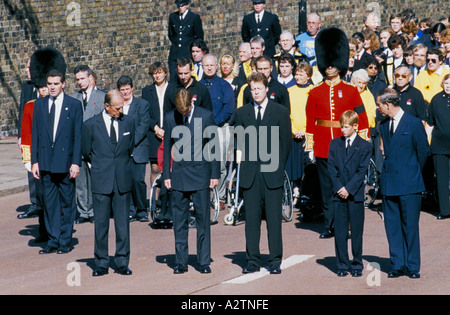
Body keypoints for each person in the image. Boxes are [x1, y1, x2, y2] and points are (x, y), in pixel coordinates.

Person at [305, 27, 370, 240]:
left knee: (347, 186)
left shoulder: (351, 91)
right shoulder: (314, 92)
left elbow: (362, 118)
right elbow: (310, 121)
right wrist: (311, 147)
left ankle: (349, 225)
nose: (331, 66)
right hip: (324, 146)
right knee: (327, 189)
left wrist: (361, 141)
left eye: (334, 62)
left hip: (347, 144)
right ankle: (330, 224)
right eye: (327, 62)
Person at [233, 72, 291, 274]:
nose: (256, 92)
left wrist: (277, 167)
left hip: (272, 173)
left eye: (259, 88)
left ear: (267, 89)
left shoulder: (280, 112)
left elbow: (285, 144)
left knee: (274, 220)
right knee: (251, 221)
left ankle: (275, 261)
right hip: (250, 174)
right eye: (252, 89)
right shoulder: (241, 113)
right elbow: (239, 142)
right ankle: (252, 261)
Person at [31, 48, 83, 255]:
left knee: (67, 204)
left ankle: (64, 239)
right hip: (45, 162)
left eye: (55, 84)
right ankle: (52, 240)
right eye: (49, 84)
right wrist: (35, 161)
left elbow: (77, 136)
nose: (51, 88)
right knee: (50, 204)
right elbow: (36, 135)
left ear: (63, 84)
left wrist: (76, 162)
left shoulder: (74, 105)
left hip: (66, 162)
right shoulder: (40, 105)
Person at [163, 89, 219, 274]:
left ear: (191, 104)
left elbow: (213, 146)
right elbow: (167, 147)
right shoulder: (171, 117)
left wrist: (214, 174)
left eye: (185, 111)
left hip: (201, 173)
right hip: (179, 174)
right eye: (181, 111)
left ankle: (203, 261)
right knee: (179, 220)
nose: (183, 114)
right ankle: (181, 261)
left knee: (203, 219)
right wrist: (166, 175)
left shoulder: (206, 116)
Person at [376, 88, 430, 279]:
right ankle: (397, 264)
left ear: (388, 105)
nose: (378, 109)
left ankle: (413, 266)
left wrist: (412, 172)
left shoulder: (414, 123)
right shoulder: (383, 125)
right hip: (390, 182)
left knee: (410, 226)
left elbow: (423, 152)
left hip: (409, 184)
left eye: (380, 105)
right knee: (392, 226)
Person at [81, 90, 135, 276]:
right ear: (106, 106)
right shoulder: (90, 125)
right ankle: (101, 262)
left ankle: (122, 261)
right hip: (101, 180)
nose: (121, 111)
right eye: (117, 108)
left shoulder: (128, 122)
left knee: (122, 225)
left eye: (122, 107)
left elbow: (129, 147)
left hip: (122, 180)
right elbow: (86, 151)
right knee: (101, 224)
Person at [327, 110, 371, 277]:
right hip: (339, 194)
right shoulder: (334, 144)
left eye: (345, 127)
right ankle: (342, 265)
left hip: (355, 195)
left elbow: (362, 171)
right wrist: (340, 188)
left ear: (355, 126)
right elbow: (331, 168)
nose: (342, 130)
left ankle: (357, 264)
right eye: (341, 126)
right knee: (340, 232)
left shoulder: (365, 145)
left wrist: (349, 189)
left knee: (357, 232)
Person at [71, 65, 106, 224]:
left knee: (95, 180)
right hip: (78, 145)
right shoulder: (73, 98)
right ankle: (83, 211)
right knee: (80, 180)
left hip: (95, 145)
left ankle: (94, 210)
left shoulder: (101, 97)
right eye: (77, 79)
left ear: (90, 77)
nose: (80, 82)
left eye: (82, 78)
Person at [19, 60, 49, 242]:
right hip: (38, 157)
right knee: (41, 196)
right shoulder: (31, 105)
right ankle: (44, 230)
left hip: (55, 157)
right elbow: (26, 132)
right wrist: (28, 160)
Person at [200, 54, 235, 204]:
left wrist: (213, 123)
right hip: (200, 129)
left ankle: (219, 196)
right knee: (202, 162)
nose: (209, 68)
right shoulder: (197, 86)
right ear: (202, 67)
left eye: (211, 65)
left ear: (216, 66)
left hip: (220, 128)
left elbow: (228, 108)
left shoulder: (224, 86)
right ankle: (204, 195)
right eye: (206, 65)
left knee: (219, 163)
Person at [117, 75, 151, 222]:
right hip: (122, 152)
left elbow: (143, 126)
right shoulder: (117, 106)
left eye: (127, 89)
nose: (125, 92)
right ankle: (130, 211)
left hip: (138, 149)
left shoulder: (142, 104)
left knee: (138, 181)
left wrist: (130, 143)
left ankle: (142, 210)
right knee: (126, 182)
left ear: (132, 88)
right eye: (122, 90)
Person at [287, 62, 314, 203]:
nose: (297, 77)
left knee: (307, 166)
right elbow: (288, 113)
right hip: (293, 134)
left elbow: (315, 114)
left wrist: (305, 131)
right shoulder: (290, 90)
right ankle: (296, 192)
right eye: (296, 74)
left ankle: (307, 193)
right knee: (294, 165)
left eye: (301, 74)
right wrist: (293, 130)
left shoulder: (313, 90)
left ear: (308, 76)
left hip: (308, 135)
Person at [142, 62, 171, 186]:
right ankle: (154, 201)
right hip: (154, 133)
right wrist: (156, 128)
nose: (157, 75)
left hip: (169, 131)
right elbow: (145, 113)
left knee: (170, 168)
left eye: (159, 72)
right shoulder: (147, 91)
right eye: (154, 73)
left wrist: (166, 129)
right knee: (155, 169)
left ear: (165, 73)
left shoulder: (173, 88)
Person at [427, 74, 450, 220]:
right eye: (446, 83)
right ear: (442, 84)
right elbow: (431, 122)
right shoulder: (435, 100)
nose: (448, 86)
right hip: (439, 144)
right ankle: (445, 210)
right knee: (441, 178)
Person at [168, 0, 204, 80]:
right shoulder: (173, 17)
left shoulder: (194, 17)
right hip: (175, 54)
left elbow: (199, 36)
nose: (180, 8)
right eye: (178, 6)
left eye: (182, 5)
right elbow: (171, 35)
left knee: (189, 79)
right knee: (174, 80)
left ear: (187, 5)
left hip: (187, 54)